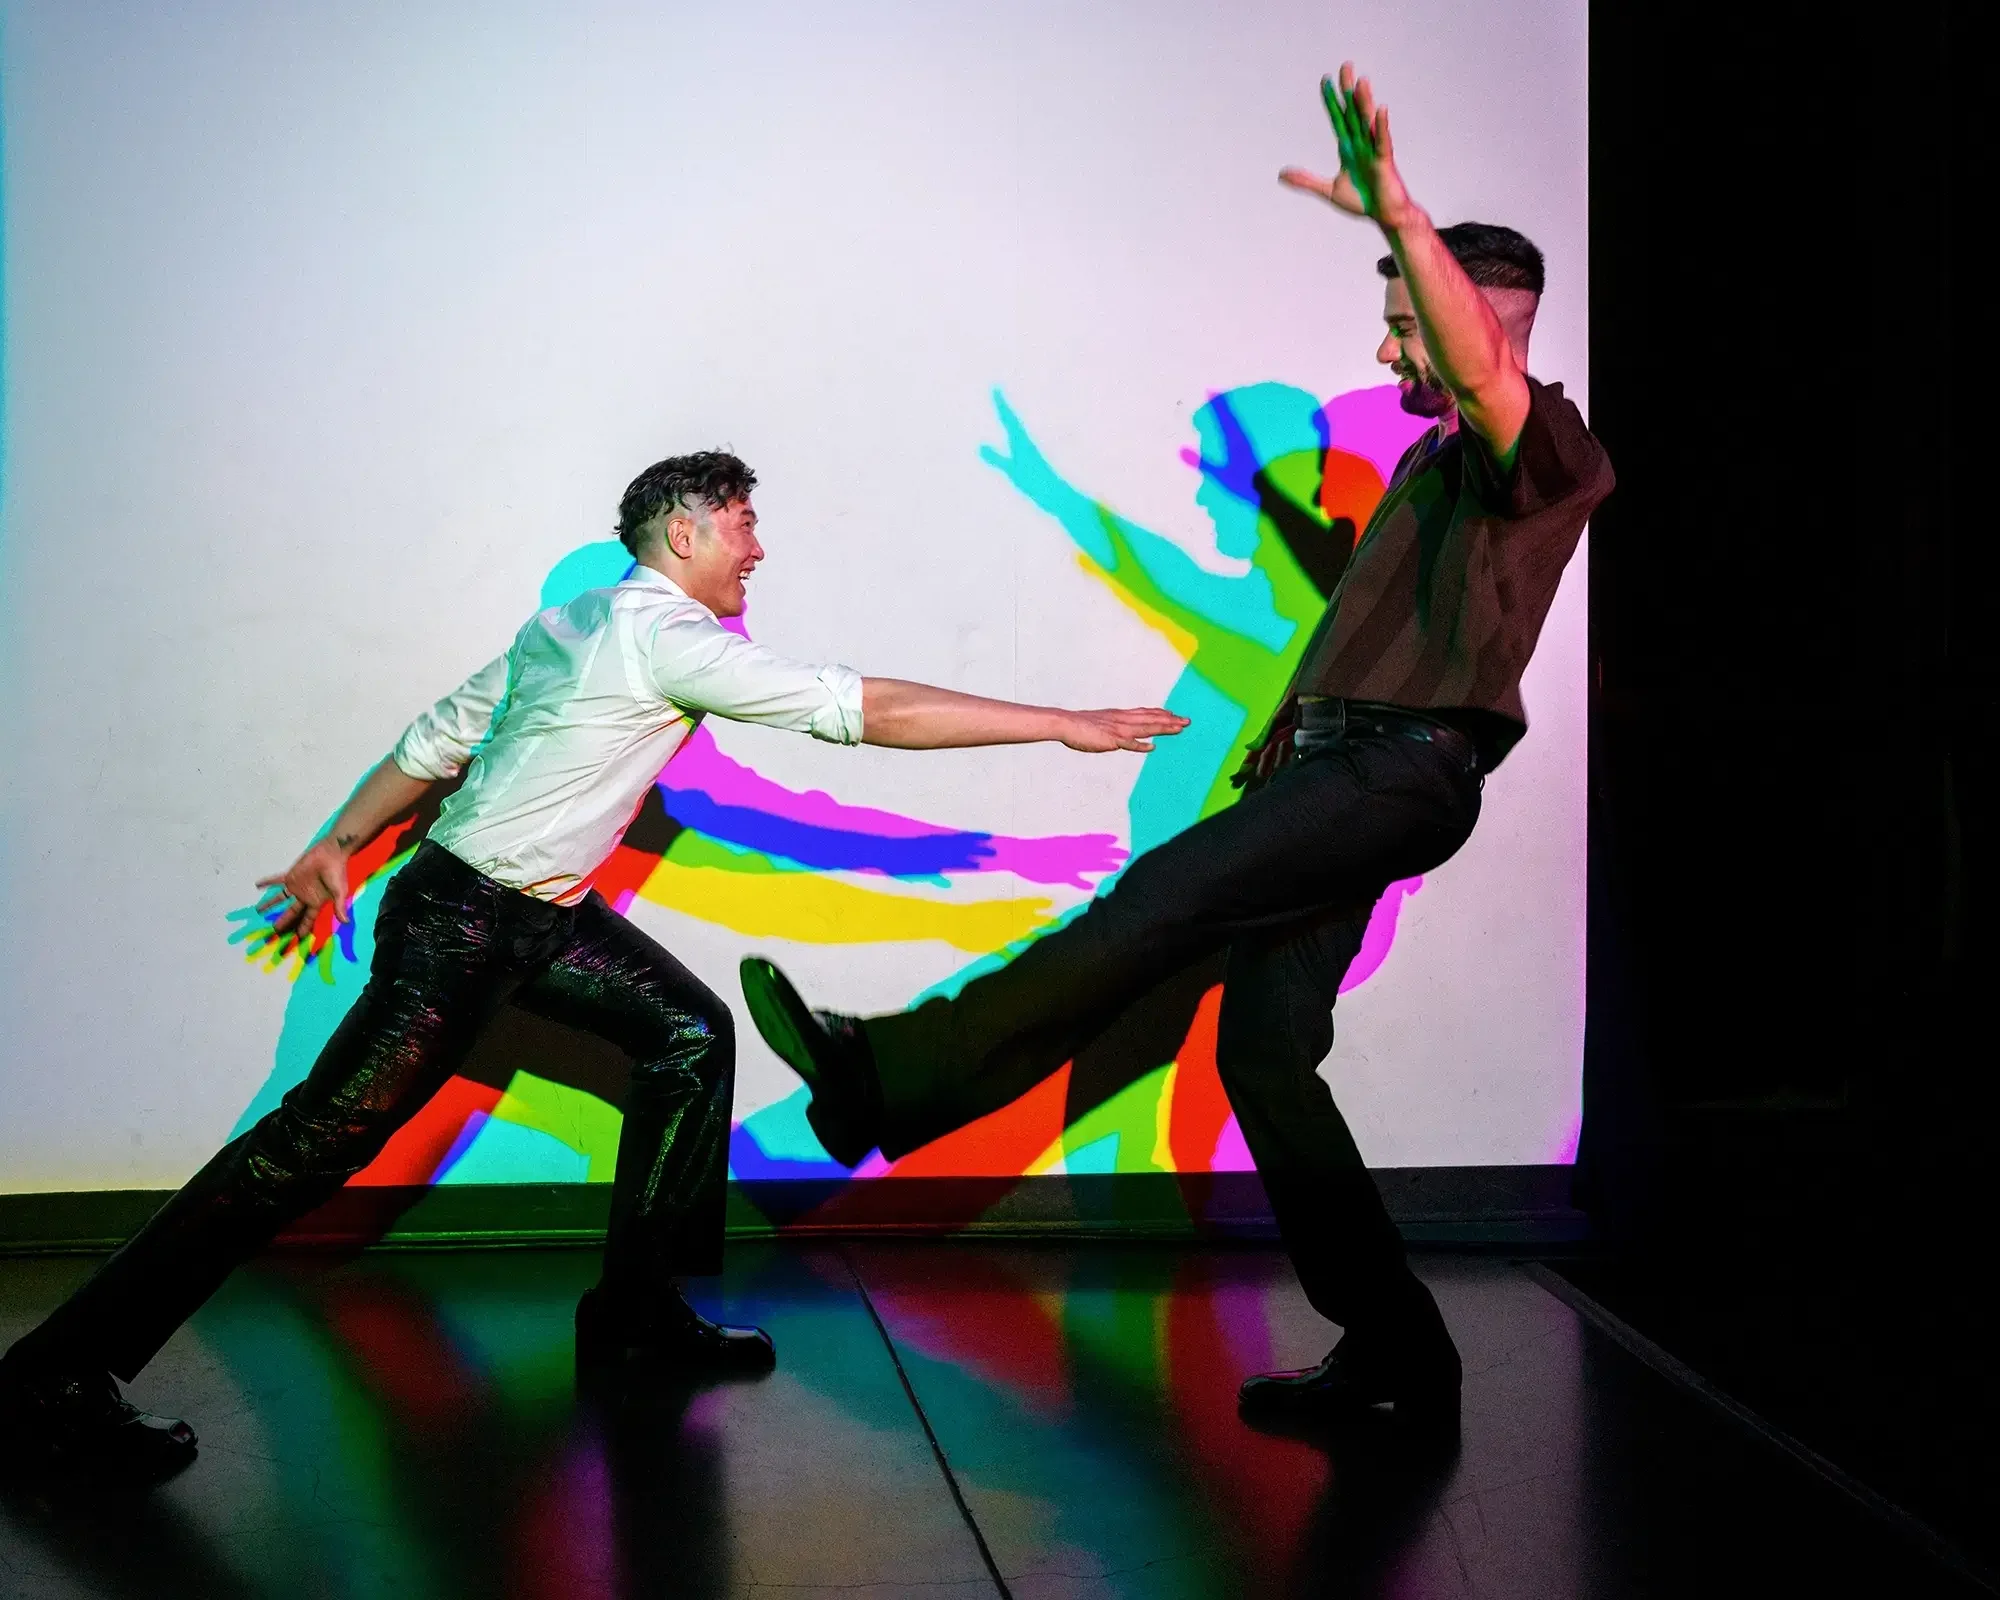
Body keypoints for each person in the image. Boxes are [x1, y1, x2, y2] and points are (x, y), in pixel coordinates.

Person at [0, 451, 1186, 1481]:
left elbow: (436, 740)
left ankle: (635, 1312)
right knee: (309, 1147)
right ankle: (51, 1379)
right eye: (743, 524)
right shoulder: (659, 634)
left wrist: (339, 843)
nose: (757, 549)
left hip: (532, 914)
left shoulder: (570, 624)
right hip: (465, 924)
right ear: (685, 529)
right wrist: (1060, 723)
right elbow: (861, 709)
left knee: (687, 1034)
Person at [740, 63, 1615, 1427]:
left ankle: (886, 1075)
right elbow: (1248, 589)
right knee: (1261, 1053)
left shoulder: (1547, 450)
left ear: (1481, 322)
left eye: (1405, 324)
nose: (1387, 353)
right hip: (1345, 773)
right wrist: (1065, 504)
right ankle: (1399, 1351)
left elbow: (1481, 370)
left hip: (1394, 772)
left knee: (1158, 899)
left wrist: (1398, 212)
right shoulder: (1432, 466)